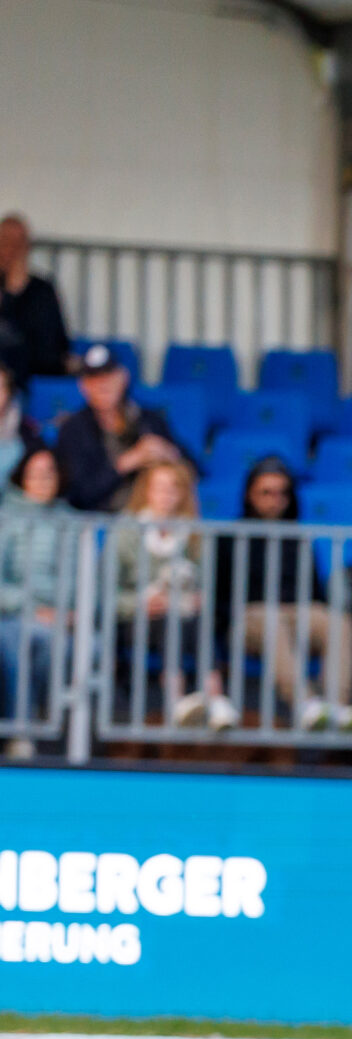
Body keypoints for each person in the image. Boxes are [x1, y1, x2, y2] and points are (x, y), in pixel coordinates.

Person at [214, 456, 352, 732]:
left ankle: (336, 706)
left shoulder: (297, 539)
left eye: (282, 493)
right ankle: (306, 704)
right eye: (265, 492)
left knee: (337, 621)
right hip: (246, 620)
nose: (274, 500)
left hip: (294, 614)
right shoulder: (229, 537)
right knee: (268, 617)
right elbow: (218, 597)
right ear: (249, 494)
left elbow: (316, 592)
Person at [109, 458, 222, 725]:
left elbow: (206, 587)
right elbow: (107, 592)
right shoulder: (126, 529)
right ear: (146, 491)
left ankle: (216, 699)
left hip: (186, 616)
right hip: (136, 619)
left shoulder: (195, 533)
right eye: (159, 487)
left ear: (184, 494)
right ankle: (177, 700)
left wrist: (197, 599)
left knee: (200, 624)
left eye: (173, 488)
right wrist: (139, 603)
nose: (166, 495)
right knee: (168, 622)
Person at [55, 344, 190, 512]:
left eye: (108, 377)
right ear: (84, 386)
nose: (102, 385)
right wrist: (126, 463)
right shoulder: (73, 429)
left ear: (123, 377)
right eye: (95, 380)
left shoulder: (148, 419)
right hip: (96, 521)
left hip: (149, 520)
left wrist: (169, 453)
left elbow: (194, 470)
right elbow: (78, 495)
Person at [0, 446, 69, 738]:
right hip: (12, 614)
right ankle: (21, 730)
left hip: (61, 617)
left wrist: (68, 611)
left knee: (78, 645)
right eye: (35, 474)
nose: (43, 481)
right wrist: (32, 610)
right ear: (22, 478)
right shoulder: (6, 519)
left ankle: (56, 732)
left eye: (49, 474)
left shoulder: (73, 520)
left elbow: (82, 576)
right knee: (20, 641)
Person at [0, 215, 70, 388]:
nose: (11, 250)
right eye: (5, 241)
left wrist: (16, 291)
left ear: (27, 248)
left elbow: (53, 348)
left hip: (31, 381)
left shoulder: (42, 290)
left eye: (18, 243)